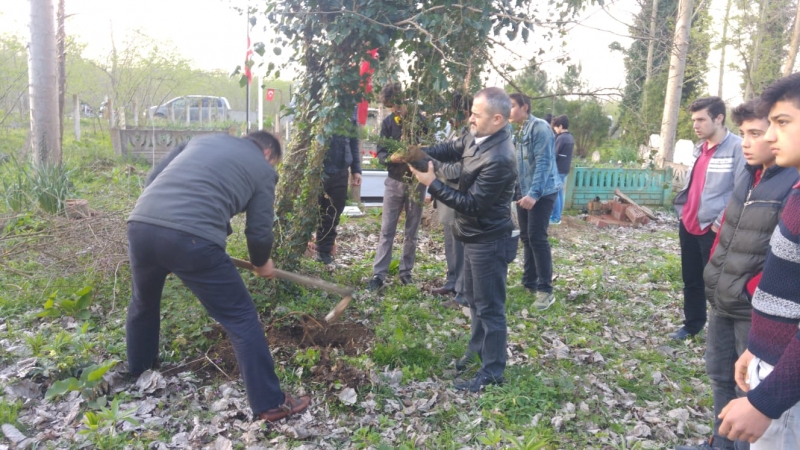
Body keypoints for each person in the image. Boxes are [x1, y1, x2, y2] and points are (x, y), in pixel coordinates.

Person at [126, 131, 311, 422]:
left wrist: (164, 226)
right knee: (240, 317)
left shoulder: (201, 141)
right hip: (193, 239)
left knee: (143, 303)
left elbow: (155, 177)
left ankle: (140, 371)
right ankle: (270, 403)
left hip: (141, 223)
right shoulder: (263, 169)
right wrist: (262, 261)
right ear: (269, 154)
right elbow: (259, 230)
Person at [677, 99, 799, 450]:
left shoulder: (790, 185)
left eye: (756, 133)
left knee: (748, 390)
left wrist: (749, 291)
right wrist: (715, 275)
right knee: (720, 376)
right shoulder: (747, 174)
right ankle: (721, 443)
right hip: (723, 298)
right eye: (743, 134)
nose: (746, 142)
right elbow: (728, 232)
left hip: (755, 311)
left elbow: (783, 260)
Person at [409, 87, 518, 392]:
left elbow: (472, 204)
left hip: (488, 239)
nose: (470, 118)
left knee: (490, 306)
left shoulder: (499, 158)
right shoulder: (476, 135)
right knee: (472, 298)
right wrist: (421, 152)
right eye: (471, 111)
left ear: (497, 119)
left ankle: (493, 371)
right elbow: (451, 147)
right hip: (470, 234)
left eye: (476, 114)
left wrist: (431, 182)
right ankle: (476, 351)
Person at [717, 73, 800, 449]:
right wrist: (759, 345)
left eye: (782, 123)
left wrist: (766, 402)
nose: (767, 136)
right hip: (773, 362)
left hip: (788, 389)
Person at [670, 97, 745, 340]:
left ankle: (722, 333)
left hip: (713, 229)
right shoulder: (699, 148)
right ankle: (692, 325)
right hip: (689, 224)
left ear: (719, 118)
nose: (695, 125)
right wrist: (683, 214)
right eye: (694, 120)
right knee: (691, 280)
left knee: (717, 284)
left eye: (701, 119)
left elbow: (740, 191)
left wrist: (717, 224)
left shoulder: (737, 148)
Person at [367, 82, 427, 291]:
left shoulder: (420, 120)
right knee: (387, 230)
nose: (395, 110)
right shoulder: (387, 123)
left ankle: (406, 272)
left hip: (416, 182)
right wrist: (392, 157)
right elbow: (381, 154)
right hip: (394, 181)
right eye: (391, 107)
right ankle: (378, 274)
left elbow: (431, 150)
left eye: (396, 105)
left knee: (412, 229)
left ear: (405, 99)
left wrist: (417, 153)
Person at [509, 93, 562, 311]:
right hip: (524, 191)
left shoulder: (539, 127)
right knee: (526, 236)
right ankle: (529, 282)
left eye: (511, 106)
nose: (507, 110)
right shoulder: (518, 130)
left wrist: (534, 193)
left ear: (525, 107)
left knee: (537, 237)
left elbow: (544, 163)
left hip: (542, 191)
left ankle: (545, 290)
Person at [431, 92, 472, 308]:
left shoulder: (471, 136)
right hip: (446, 196)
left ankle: (462, 292)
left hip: (458, 196)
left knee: (461, 245)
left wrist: (434, 168)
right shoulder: (454, 132)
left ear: (464, 112)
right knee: (450, 242)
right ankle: (452, 281)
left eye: (452, 112)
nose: (448, 116)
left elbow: (459, 170)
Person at [315, 115, 363, 265]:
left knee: (334, 212)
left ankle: (324, 252)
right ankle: (301, 247)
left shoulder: (352, 110)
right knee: (312, 210)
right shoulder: (322, 99)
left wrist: (356, 169)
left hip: (341, 169)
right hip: (319, 168)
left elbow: (354, 142)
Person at [550, 115, 574, 225]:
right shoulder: (570, 137)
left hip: (558, 169)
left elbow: (554, 154)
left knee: (555, 193)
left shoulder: (562, 138)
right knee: (559, 193)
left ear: (560, 126)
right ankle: (557, 215)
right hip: (564, 169)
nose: (555, 130)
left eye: (555, 128)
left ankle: (555, 218)